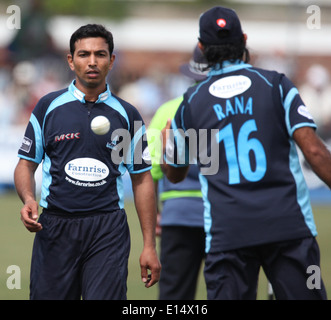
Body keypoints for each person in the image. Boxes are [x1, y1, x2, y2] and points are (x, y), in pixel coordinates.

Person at [162, 6, 331, 300]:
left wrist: (168, 148)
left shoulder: (190, 102)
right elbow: (315, 152)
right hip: (288, 228)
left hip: (228, 234)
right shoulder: (276, 85)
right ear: (244, 39)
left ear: (201, 47)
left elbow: (175, 174)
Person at [14, 24, 161, 300]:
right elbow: (25, 164)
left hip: (108, 230)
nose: (92, 61)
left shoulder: (128, 115)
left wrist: (149, 246)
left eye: (100, 54)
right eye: (83, 54)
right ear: (71, 61)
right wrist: (28, 198)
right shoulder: (48, 107)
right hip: (55, 227)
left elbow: (142, 179)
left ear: (112, 60)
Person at [147, 45, 208, 300]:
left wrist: (154, 218)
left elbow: (150, 171)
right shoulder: (232, 109)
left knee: (174, 297)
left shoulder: (168, 110)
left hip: (177, 214)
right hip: (225, 215)